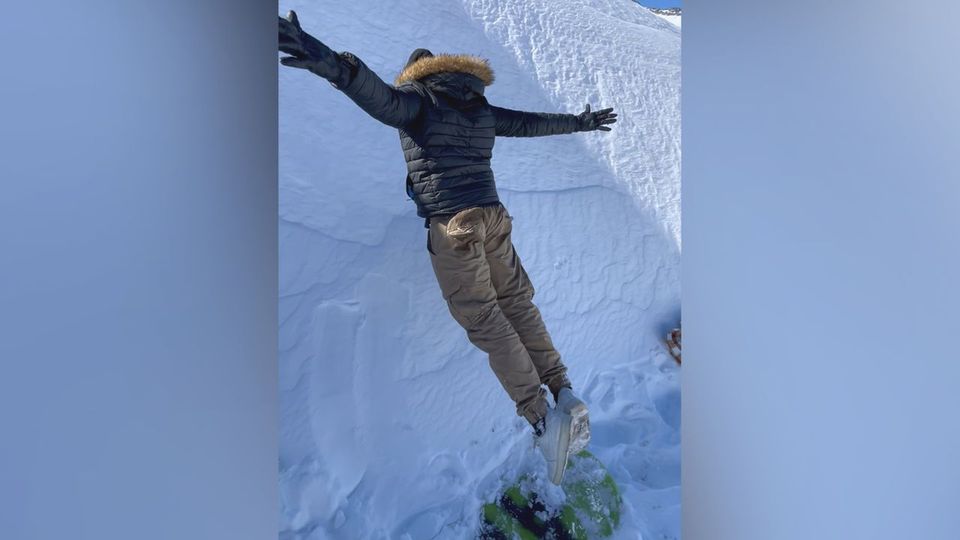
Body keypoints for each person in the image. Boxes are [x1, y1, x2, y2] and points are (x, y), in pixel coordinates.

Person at [279, 10, 617, 485]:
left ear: (416, 75)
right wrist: (580, 122)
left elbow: (374, 94)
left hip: (455, 224)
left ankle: (542, 419)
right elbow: (529, 124)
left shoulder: (417, 101)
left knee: (485, 317)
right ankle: (562, 390)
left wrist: (325, 59)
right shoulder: (477, 106)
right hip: (494, 216)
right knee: (517, 303)